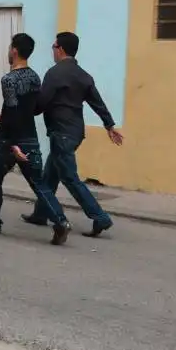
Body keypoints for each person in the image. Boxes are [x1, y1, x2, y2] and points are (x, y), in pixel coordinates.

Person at [21, 31, 124, 238]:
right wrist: (109, 125)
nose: (52, 50)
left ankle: (100, 217)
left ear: (60, 49)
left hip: (62, 133)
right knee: (50, 175)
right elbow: (97, 102)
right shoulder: (83, 75)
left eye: (53, 46)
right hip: (75, 132)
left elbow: (41, 103)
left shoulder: (55, 73)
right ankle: (41, 213)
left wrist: (21, 113)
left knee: (69, 178)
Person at [0, 33, 73, 246]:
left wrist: (13, 145)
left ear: (15, 50)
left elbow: (14, 110)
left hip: (10, 140)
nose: (9, 51)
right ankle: (61, 222)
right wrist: (6, 115)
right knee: (38, 183)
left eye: (10, 47)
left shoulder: (8, 80)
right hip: (30, 138)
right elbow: (30, 108)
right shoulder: (35, 77)